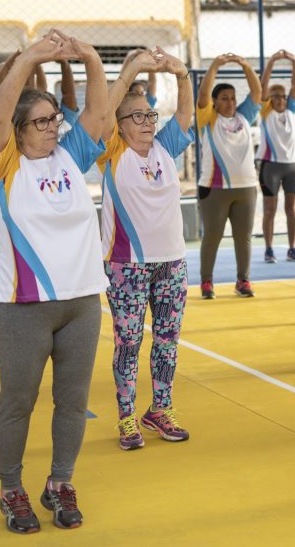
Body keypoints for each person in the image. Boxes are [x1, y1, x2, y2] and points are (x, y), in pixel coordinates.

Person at [0, 30, 121, 533]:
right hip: (25, 305)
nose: (52, 129)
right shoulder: (5, 164)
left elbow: (100, 114)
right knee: (18, 402)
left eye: (54, 120)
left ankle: (60, 483)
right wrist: (31, 57)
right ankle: (11, 488)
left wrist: (88, 55)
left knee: (73, 401)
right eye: (40, 123)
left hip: (81, 301)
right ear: (19, 131)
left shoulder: (70, 156)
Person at [97, 48, 195, 451]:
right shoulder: (113, 152)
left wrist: (182, 74)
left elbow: (186, 114)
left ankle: (160, 409)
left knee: (168, 340)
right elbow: (103, 111)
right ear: (118, 125)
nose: (147, 123)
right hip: (127, 266)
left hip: (171, 262)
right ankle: (126, 417)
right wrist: (132, 69)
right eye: (136, 116)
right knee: (129, 341)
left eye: (150, 115)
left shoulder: (164, 150)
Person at [195, 53, 262, 299]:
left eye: (233, 98)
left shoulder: (244, 116)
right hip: (214, 189)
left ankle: (243, 280)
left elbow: (257, 93)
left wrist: (245, 65)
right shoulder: (208, 118)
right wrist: (214, 65)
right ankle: (206, 282)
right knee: (212, 237)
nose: (231, 102)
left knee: (243, 238)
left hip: (246, 188)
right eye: (224, 98)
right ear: (214, 102)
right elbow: (202, 96)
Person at [257, 50, 295, 263]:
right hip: (271, 167)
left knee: (292, 210)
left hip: (292, 166)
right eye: (275, 96)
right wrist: (273, 61)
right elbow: (262, 86)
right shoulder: (266, 112)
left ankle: (293, 248)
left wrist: (294, 61)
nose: (280, 99)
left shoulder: (291, 111)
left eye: (282, 96)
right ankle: (268, 249)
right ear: (269, 99)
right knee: (269, 210)